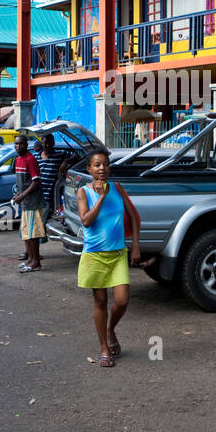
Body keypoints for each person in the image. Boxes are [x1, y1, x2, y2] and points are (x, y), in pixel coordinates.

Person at [76, 150, 142, 368]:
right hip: (95, 255)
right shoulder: (83, 192)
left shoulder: (117, 188)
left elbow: (132, 215)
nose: (102, 168)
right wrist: (101, 198)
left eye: (105, 164)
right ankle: (104, 347)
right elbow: (86, 221)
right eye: (97, 165)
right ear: (89, 169)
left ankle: (110, 328)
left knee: (122, 300)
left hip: (118, 254)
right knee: (101, 301)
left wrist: (135, 247)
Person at [11, 133, 45, 271]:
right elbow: (23, 182)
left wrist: (22, 195)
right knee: (27, 233)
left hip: (33, 202)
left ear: (26, 145)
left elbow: (35, 182)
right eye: (16, 144)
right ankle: (30, 259)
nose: (18, 146)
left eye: (20, 144)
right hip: (25, 202)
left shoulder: (30, 159)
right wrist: (19, 194)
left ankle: (36, 261)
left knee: (33, 234)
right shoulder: (18, 159)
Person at [35, 134, 73, 220]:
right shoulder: (36, 156)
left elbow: (76, 155)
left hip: (48, 198)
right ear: (41, 143)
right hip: (36, 197)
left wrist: (66, 162)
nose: (47, 145)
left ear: (53, 143)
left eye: (50, 143)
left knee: (41, 224)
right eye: (45, 143)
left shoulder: (60, 154)